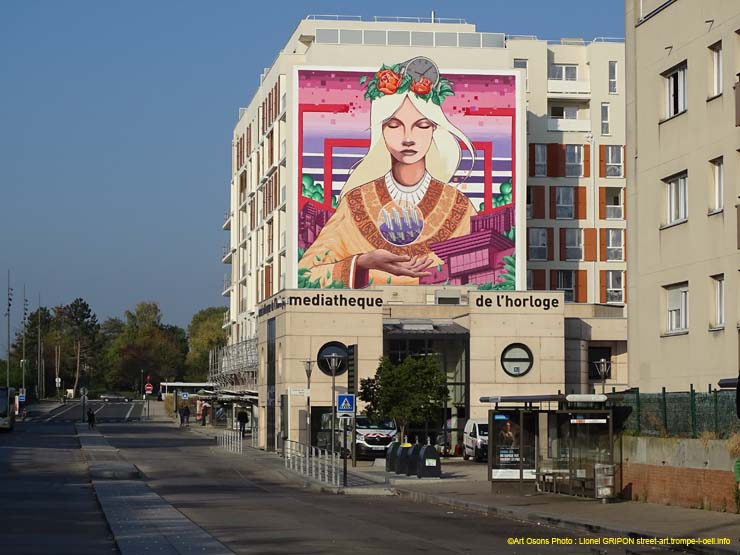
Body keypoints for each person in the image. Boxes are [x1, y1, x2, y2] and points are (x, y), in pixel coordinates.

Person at [298, 57, 478, 289]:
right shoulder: (355, 204)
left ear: (434, 128)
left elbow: (488, 274)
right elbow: (306, 274)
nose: (407, 138)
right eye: (394, 125)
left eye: (421, 125)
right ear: (380, 129)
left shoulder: (459, 208)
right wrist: (362, 262)